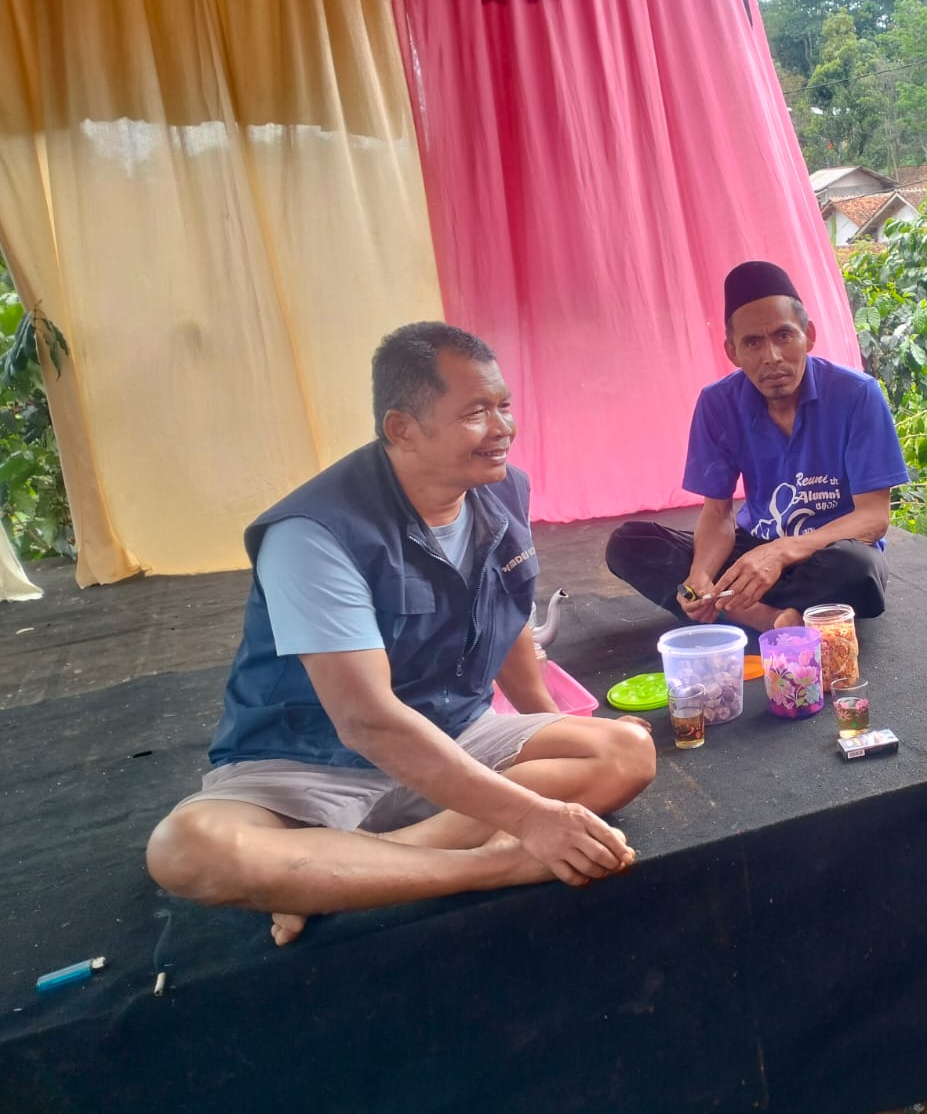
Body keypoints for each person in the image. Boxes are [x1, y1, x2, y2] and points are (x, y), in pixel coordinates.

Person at [146, 323, 656, 946]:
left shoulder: (501, 491)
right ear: (402, 428)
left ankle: (343, 870)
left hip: (455, 733)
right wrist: (532, 819)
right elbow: (367, 722)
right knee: (187, 850)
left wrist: (547, 725)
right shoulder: (313, 534)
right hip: (312, 761)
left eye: (504, 405)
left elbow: (508, 619)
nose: (502, 427)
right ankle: (487, 867)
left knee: (625, 750)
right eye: (475, 412)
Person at [606, 261, 909, 631]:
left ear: (808, 335)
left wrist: (781, 551)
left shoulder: (857, 395)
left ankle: (737, 610)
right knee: (629, 544)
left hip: (826, 554)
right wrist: (701, 575)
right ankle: (771, 618)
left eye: (784, 336)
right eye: (752, 342)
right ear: (732, 352)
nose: (772, 356)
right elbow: (718, 514)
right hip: (752, 553)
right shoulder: (717, 403)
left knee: (858, 570)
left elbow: (873, 519)